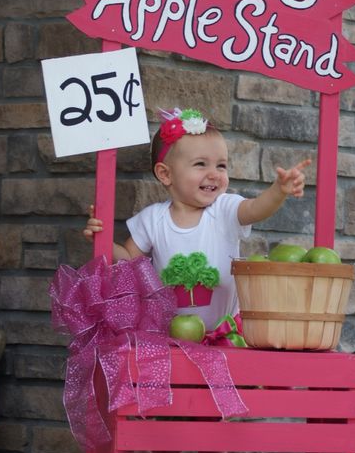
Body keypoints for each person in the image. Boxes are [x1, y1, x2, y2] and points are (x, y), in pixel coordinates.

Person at [84, 107, 309, 330]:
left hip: (226, 333)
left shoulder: (224, 209)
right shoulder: (153, 219)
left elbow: (255, 209)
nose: (214, 173)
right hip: (170, 336)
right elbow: (129, 262)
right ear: (166, 174)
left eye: (221, 165)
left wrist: (278, 191)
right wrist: (103, 240)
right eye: (201, 164)